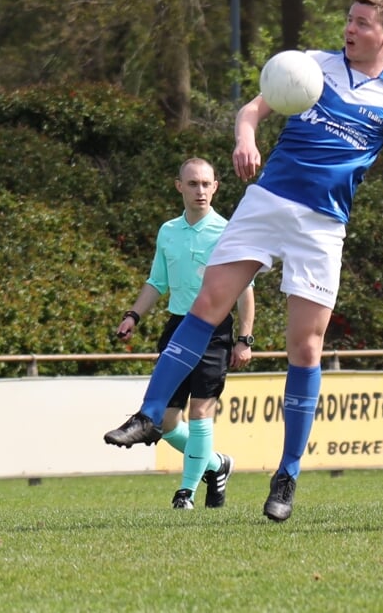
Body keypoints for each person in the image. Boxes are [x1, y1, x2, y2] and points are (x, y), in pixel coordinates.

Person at [105, 0, 383, 523]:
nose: (350, 28)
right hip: (267, 201)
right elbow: (253, 108)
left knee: (306, 347)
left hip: (321, 226)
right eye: (348, 18)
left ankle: (287, 473)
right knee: (207, 302)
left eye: (362, 23)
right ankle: (151, 413)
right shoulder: (309, 66)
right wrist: (246, 137)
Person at [114, 158, 255, 509]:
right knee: (164, 420)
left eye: (206, 184)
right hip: (178, 327)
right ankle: (216, 465)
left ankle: (185, 493)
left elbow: (245, 290)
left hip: (214, 331)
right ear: (179, 186)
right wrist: (133, 315)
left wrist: (244, 339)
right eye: (193, 184)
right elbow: (156, 282)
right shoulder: (168, 231)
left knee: (201, 412)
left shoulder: (228, 232)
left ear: (216, 186)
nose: (200, 191)